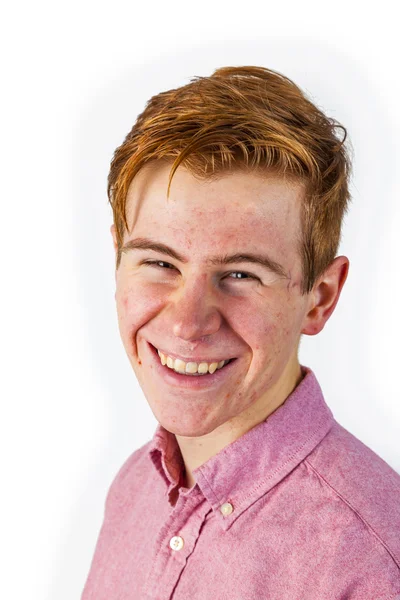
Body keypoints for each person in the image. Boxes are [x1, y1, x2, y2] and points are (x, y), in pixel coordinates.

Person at [81, 66, 400, 599]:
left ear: (319, 298)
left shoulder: (371, 560)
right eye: (160, 262)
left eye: (240, 275)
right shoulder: (136, 486)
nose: (187, 322)